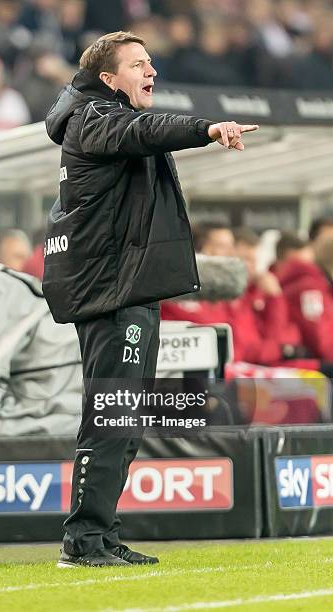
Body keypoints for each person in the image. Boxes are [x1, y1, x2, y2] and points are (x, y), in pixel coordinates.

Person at [43, 30, 259, 568]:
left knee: (125, 419)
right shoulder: (93, 117)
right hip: (112, 292)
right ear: (108, 79)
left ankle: (102, 533)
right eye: (139, 64)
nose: (152, 72)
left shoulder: (105, 116)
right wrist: (207, 128)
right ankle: (83, 540)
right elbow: (148, 128)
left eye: (152, 62)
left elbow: (143, 131)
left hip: (129, 287)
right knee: (111, 418)